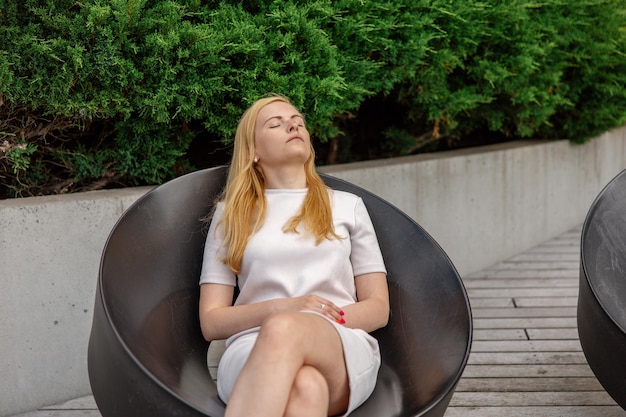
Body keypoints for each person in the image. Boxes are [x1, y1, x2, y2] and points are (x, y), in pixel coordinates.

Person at [198, 94, 389, 417]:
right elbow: (211, 321)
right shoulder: (230, 214)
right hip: (250, 349)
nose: (292, 125)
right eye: (276, 123)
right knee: (306, 388)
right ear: (254, 151)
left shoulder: (347, 206)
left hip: (339, 343)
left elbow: (378, 308)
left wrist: (313, 317)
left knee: (286, 329)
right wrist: (283, 308)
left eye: (297, 121)